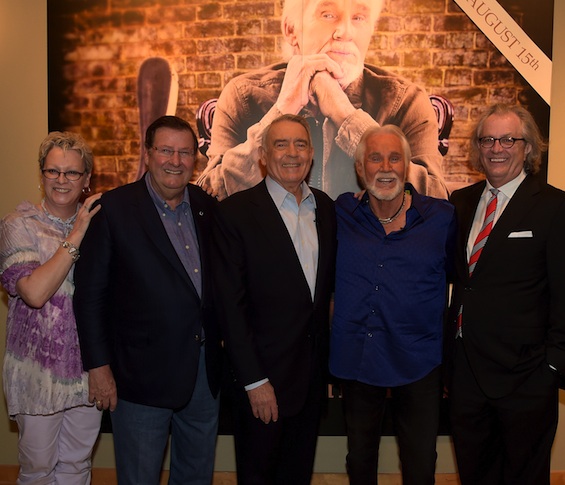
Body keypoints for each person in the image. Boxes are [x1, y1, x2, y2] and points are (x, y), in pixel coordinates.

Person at [73, 116, 223, 485]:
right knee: (139, 476)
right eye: (166, 150)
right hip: (138, 377)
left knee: (196, 475)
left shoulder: (207, 207)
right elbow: (89, 296)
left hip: (203, 374)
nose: (175, 160)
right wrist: (98, 368)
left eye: (185, 152)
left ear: (195, 159)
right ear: (148, 153)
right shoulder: (113, 209)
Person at [197, 0, 447, 201]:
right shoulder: (243, 95)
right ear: (291, 29)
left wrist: (348, 118)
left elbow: (436, 202)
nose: (345, 32)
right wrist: (281, 111)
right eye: (328, 14)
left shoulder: (406, 101)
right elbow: (209, 197)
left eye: (359, 18)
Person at [446, 104, 565, 485]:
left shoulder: (556, 207)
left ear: (528, 147)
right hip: (466, 373)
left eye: (508, 139)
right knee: (474, 472)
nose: (496, 148)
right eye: (487, 139)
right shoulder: (460, 202)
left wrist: (551, 368)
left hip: (526, 376)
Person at [213, 114, 336, 484]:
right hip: (262, 384)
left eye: (300, 144)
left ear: (311, 154)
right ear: (264, 156)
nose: (292, 153)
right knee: (259, 476)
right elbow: (230, 309)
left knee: (297, 476)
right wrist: (254, 381)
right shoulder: (235, 214)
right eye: (280, 144)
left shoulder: (326, 209)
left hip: (312, 381)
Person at [329, 125, 456, 485]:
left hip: (418, 360)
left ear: (407, 166)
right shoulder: (341, 214)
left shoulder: (441, 217)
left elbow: (456, 278)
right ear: (360, 168)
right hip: (359, 358)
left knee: (419, 464)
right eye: (375, 157)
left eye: (394, 157)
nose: (385, 167)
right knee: (360, 459)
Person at [0, 132, 102, 484]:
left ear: (87, 179)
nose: (61, 180)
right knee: (38, 470)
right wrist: (75, 234)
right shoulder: (18, 224)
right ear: (41, 175)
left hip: (87, 372)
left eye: (72, 173)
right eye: (52, 171)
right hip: (35, 375)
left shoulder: (101, 226)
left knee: (78, 466)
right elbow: (35, 293)